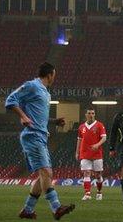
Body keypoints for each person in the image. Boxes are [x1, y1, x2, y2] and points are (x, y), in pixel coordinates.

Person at [5, 62, 75, 220]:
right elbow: (10, 100)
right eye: (54, 75)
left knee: (43, 175)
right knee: (46, 173)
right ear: (50, 75)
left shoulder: (46, 93)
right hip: (32, 135)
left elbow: (38, 117)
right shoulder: (32, 85)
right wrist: (23, 117)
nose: (54, 78)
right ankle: (56, 208)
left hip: (41, 136)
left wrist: (53, 121)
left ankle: (27, 210)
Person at [76, 107, 107, 201]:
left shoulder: (99, 125)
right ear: (86, 115)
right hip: (85, 153)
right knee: (86, 173)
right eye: (89, 113)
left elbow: (104, 138)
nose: (91, 115)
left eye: (93, 113)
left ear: (94, 115)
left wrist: (97, 145)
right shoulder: (81, 127)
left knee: (98, 175)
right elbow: (79, 140)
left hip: (97, 154)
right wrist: (77, 152)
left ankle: (99, 192)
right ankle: (87, 194)